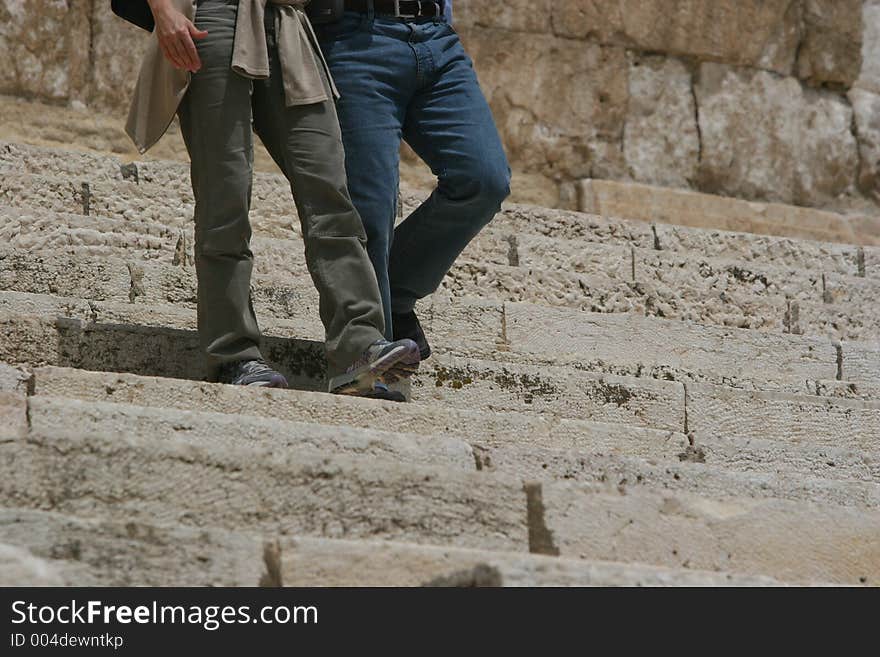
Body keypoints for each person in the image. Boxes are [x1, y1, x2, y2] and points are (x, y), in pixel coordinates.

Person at [122, 0, 420, 399]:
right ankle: (233, 355)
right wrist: (163, 11)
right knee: (224, 196)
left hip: (289, 21)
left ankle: (359, 348)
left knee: (329, 190)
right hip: (214, 19)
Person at [312, 0, 511, 360]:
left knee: (484, 177)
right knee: (371, 207)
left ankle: (393, 292)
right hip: (358, 35)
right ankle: (365, 352)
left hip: (436, 36)